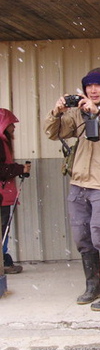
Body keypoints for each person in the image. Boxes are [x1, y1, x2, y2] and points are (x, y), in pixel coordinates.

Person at [44, 68, 100, 310]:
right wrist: (57, 112)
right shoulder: (77, 113)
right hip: (78, 184)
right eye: (88, 86)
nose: (93, 90)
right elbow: (53, 133)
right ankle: (93, 287)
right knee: (83, 239)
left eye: (98, 85)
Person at [0, 109, 31, 274]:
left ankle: (3, 258)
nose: (14, 128)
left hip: (5, 194)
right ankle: (2, 260)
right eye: (11, 124)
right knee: (3, 229)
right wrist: (20, 168)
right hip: (2, 196)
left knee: (4, 228)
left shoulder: (3, 143)